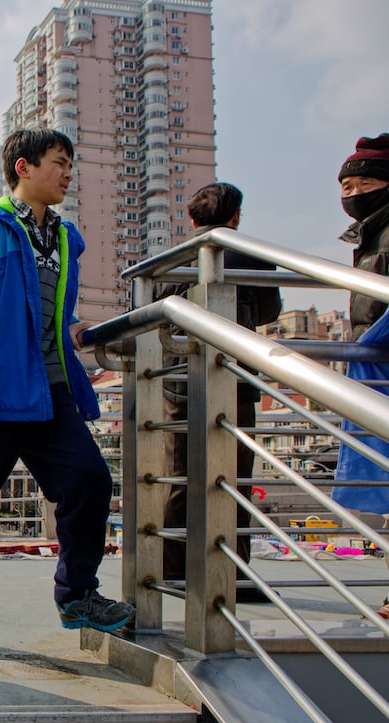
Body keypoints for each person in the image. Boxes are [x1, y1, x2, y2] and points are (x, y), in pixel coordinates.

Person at [0, 128, 134, 655]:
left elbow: (43, 306)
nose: (67, 173)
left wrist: (74, 326)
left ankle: (77, 595)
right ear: (23, 167)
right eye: (58, 162)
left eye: (69, 164)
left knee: (89, 481)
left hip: (49, 391)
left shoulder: (63, 238)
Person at [158, 183, 282, 599]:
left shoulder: (169, 259)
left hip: (179, 383)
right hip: (232, 378)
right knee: (234, 479)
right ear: (235, 217)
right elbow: (269, 311)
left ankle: (173, 572)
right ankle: (234, 577)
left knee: (182, 479)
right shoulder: (251, 256)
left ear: (192, 219)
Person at [331, 133, 389, 620]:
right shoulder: (371, 233)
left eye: (364, 182)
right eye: (346, 185)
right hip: (374, 365)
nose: (353, 193)